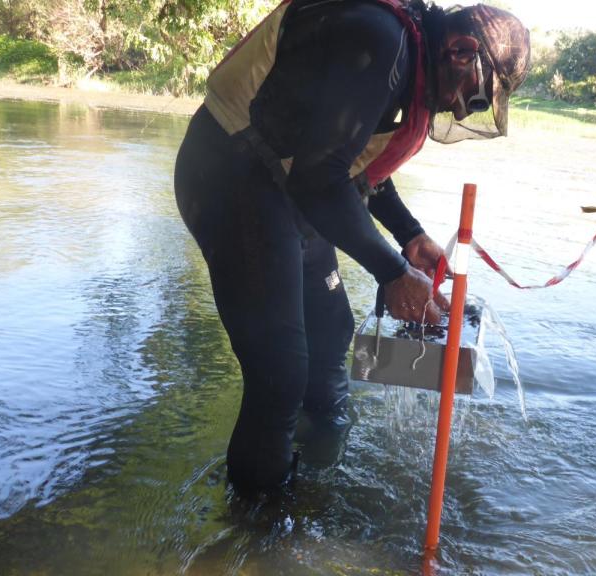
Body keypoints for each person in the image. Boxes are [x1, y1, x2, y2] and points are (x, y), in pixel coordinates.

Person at [173, 0, 530, 494]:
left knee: (331, 329)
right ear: (461, 51)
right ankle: (259, 527)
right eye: (474, 98)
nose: (460, 109)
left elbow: (344, 160)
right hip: (232, 176)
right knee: (279, 370)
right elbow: (320, 178)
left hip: (286, 188)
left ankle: (319, 458)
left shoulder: (405, 57)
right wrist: (392, 272)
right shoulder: (380, 43)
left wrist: (409, 236)